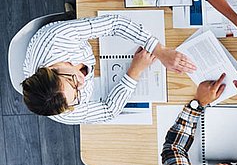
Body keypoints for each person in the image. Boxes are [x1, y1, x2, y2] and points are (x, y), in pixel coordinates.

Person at [22, 15, 195, 125]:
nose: (81, 83)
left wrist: (160, 51)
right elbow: (108, 111)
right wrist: (134, 72)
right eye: (77, 95)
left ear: (51, 68)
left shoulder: (59, 38)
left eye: (71, 80)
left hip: (82, 42)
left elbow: (115, 24)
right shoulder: (64, 110)